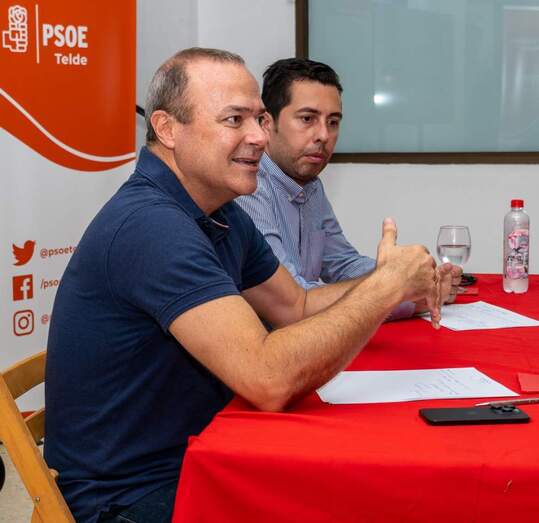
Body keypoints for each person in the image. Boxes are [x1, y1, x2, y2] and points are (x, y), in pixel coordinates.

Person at [44, 48, 448, 523]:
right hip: (133, 495)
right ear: (168, 129)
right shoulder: (152, 226)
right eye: (234, 119)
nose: (259, 136)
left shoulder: (220, 210)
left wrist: (390, 281)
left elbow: (296, 306)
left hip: (199, 450)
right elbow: (268, 379)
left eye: (258, 118)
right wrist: (384, 289)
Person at [237, 58, 461, 317]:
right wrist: (400, 293)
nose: (323, 135)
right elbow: (293, 301)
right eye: (307, 118)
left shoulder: (310, 185)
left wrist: (414, 278)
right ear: (266, 123)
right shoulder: (247, 189)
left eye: (333, 122)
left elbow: (343, 263)